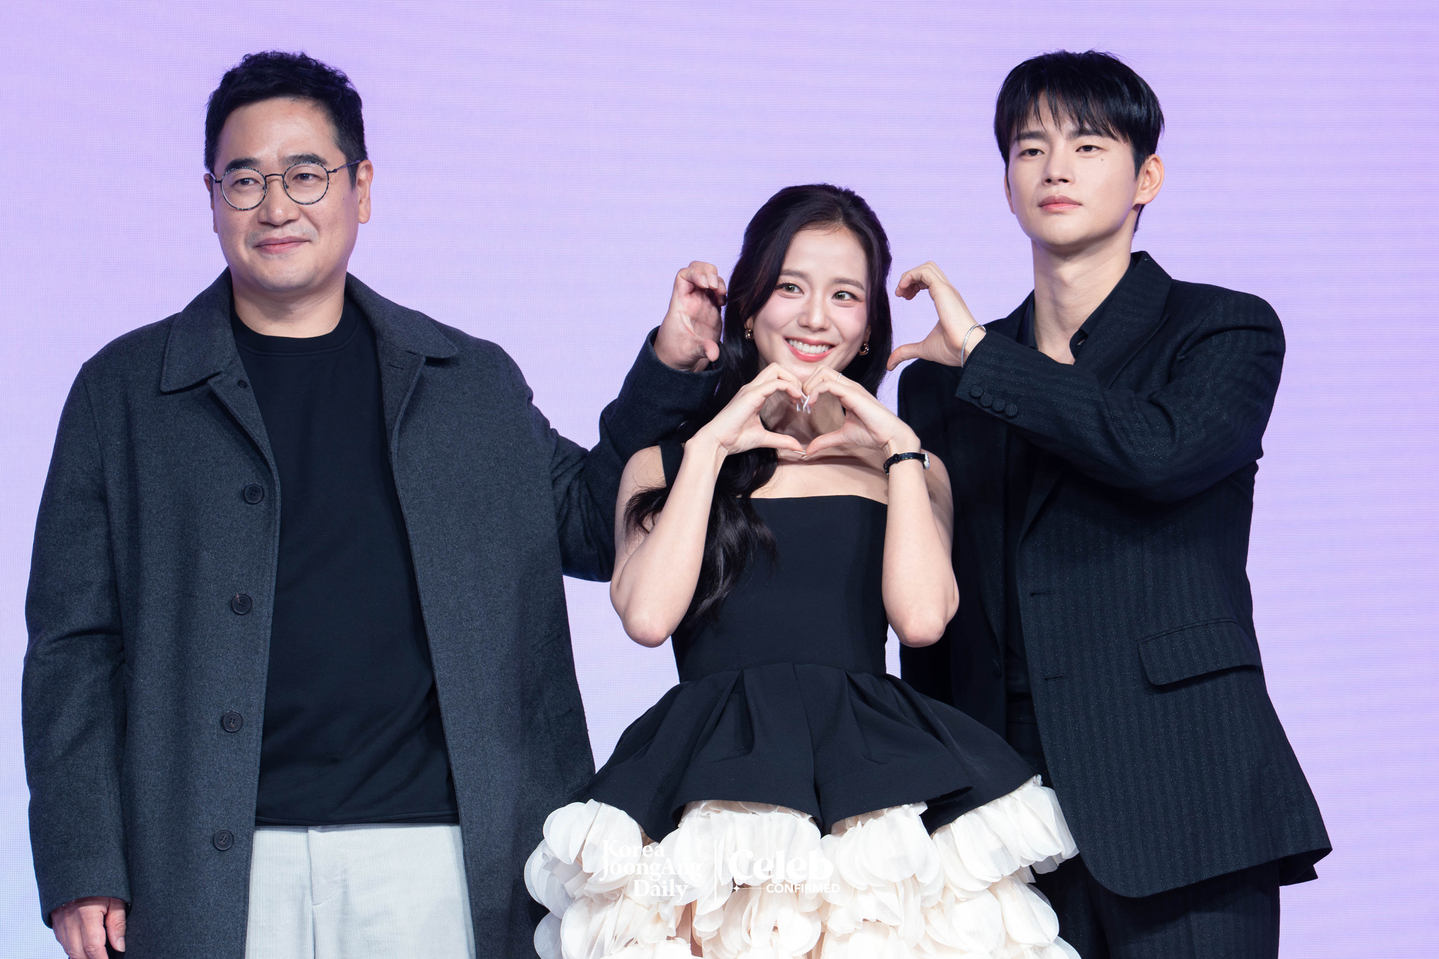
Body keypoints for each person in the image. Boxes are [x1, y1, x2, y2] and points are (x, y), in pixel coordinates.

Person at [22, 51, 725, 959]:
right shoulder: (125, 392)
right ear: (210, 195)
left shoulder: (465, 381)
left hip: (434, 856)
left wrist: (667, 373)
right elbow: (72, 648)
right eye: (245, 179)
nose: (276, 206)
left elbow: (596, 524)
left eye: (306, 174)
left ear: (360, 188)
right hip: (211, 864)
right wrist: (82, 858)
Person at [524, 184, 1079, 959]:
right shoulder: (665, 462)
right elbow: (647, 616)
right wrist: (713, 445)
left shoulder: (907, 468)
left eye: (844, 295)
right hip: (713, 789)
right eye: (790, 287)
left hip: (869, 788)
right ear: (747, 308)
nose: (815, 316)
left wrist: (897, 448)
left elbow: (921, 618)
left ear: (867, 328)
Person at [888, 51, 1331, 958]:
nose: (1054, 167)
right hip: (995, 820)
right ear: (1006, 182)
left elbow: (1156, 450)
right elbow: (930, 611)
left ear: (1147, 177)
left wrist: (982, 360)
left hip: (1181, 798)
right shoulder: (940, 384)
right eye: (1028, 147)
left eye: (1088, 144)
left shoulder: (1221, 329)